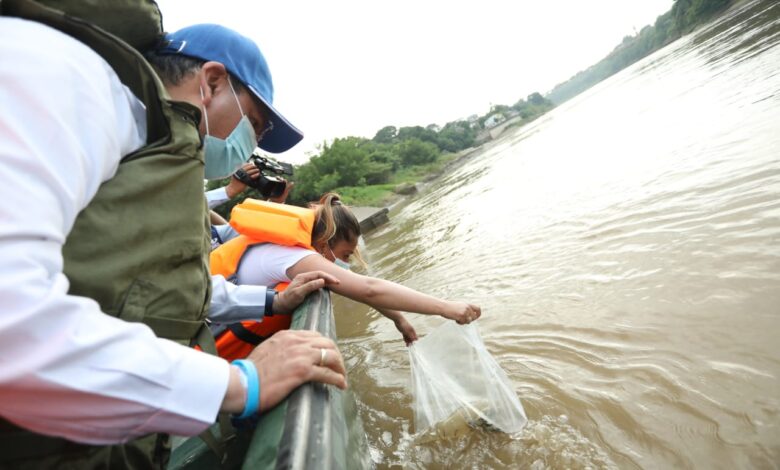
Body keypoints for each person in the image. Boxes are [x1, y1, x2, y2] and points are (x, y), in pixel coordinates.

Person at [0, 3, 344, 467]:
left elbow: (156, 286)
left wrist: (271, 303)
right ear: (213, 82)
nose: (251, 144)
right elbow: (13, 319)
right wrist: (241, 384)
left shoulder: (148, 141)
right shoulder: (66, 75)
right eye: (254, 126)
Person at [210, 193, 482, 361]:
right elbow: (368, 288)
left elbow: (358, 287)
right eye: (346, 254)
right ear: (325, 241)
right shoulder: (287, 256)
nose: (345, 263)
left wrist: (398, 318)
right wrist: (446, 308)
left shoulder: (295, 249)